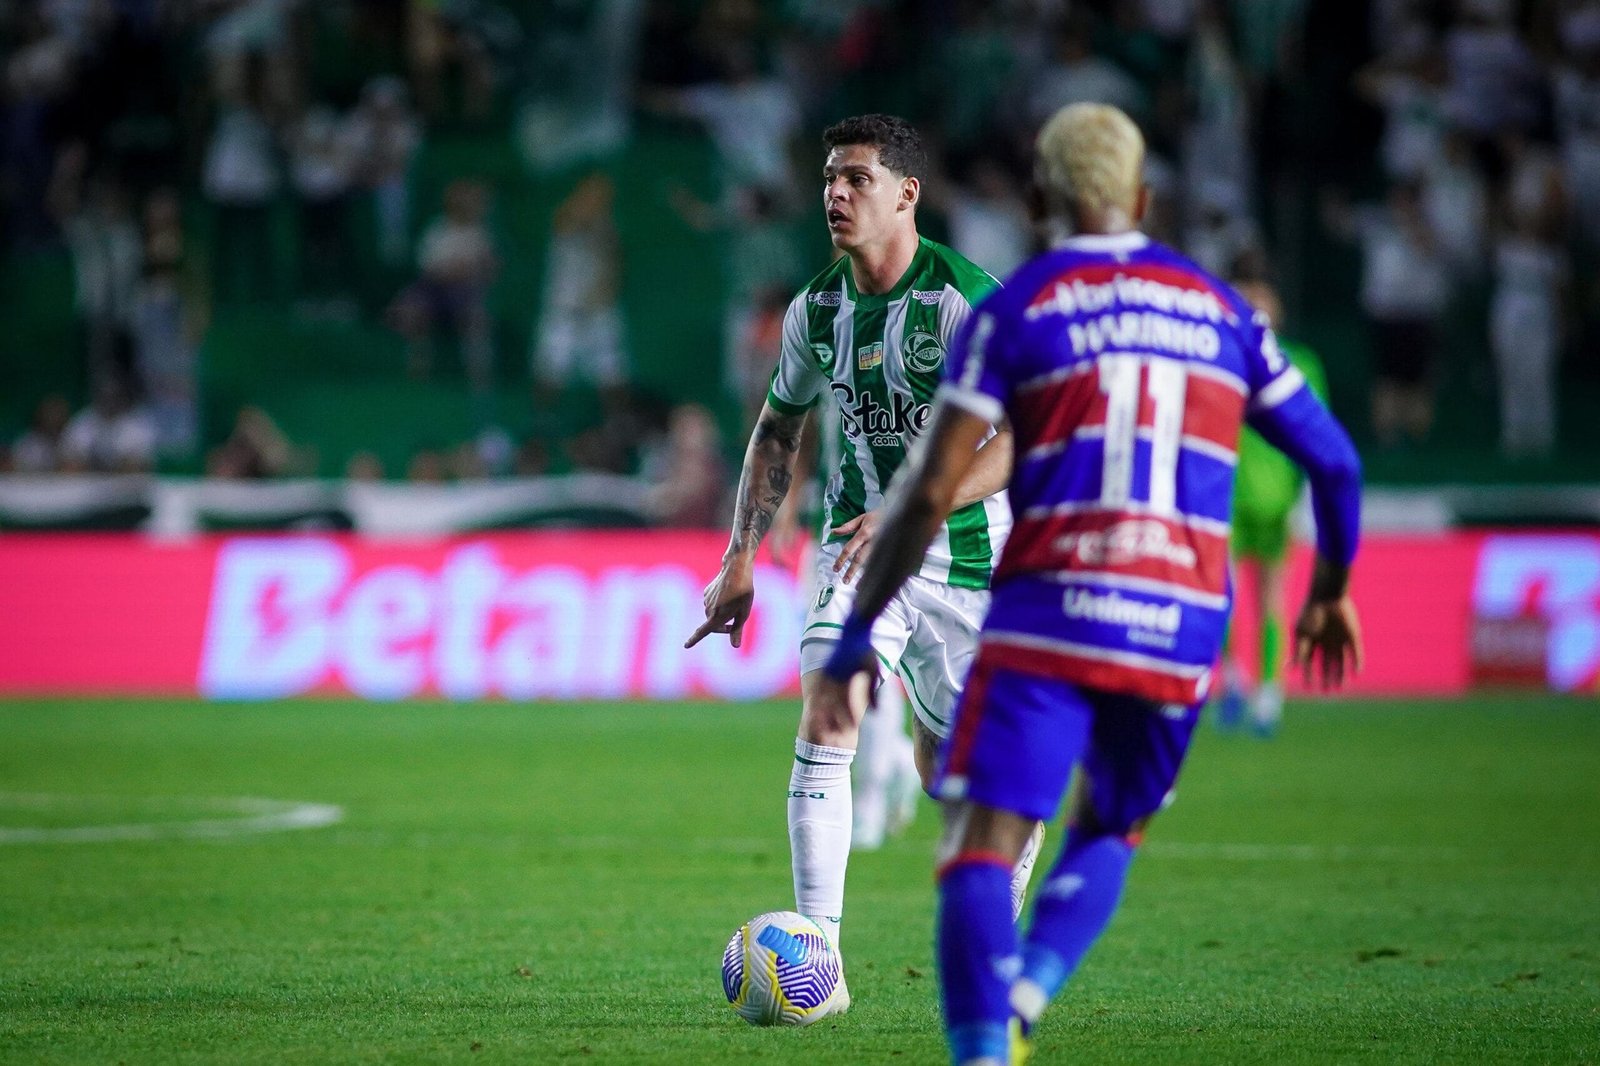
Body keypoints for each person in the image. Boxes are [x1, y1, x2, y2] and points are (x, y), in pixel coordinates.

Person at [812, 103, 1364, 1066]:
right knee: (1112, 826)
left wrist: (858, 636)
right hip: (1181, 616)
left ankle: (985, 1041)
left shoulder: (1018, 309)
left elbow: (931, 488)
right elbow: (1337, 464)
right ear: (1145, 199)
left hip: (1053, 606)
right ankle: (1027, 989)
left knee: (978, 841)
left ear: (1037, 199)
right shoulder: (1221, 309)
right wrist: (1331, 586)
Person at [685, 114, 1042, 993]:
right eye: (828, 181)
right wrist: (739, 556)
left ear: (906, 193)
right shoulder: (818, 308)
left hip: (967, 561)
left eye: (856, 179)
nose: (836, 196)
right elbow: (779, 430)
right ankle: (819, 958)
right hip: (858, 551)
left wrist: (918, 503)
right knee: (828, 715)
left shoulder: (966, 300)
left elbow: (1025, 435)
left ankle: (993, 928)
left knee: (958, 773)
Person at [1215, 256, 1331, 736]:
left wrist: (1308, 500)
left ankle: (1269, 693)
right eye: (1245, 298)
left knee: (1271, 598)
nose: (1254, 307)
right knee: (1221, 594)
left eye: (1261, 297)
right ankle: (1233, 680)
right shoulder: (1218, 356)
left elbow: (1318, 437)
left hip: (1278, 500)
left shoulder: (1302, 364)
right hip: (1224, 495)